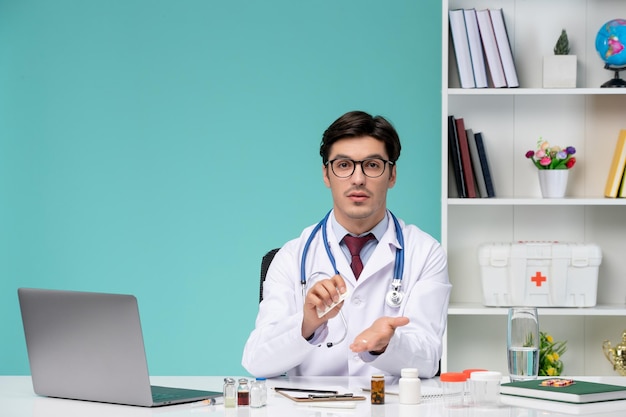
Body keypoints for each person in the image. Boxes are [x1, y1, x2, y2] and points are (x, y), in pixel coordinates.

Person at [241, 110, 451, 378]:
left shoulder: (425, 253)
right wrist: (306, 324)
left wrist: (387, 345)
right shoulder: (291, 257)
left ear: (392, 175)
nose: (358, 178)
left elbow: (429, 360)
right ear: (326, 175)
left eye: (372, 165)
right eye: (343, 165)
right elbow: (257, 361)